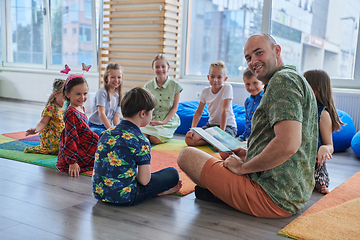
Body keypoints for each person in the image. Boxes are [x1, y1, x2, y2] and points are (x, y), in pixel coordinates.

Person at [177, 33, 318, 218]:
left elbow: (288, 143)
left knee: (187, 156)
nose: (253, 61)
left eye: (259, 53)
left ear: (277, 50)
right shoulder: (290, 78)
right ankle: (222, 191)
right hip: (291, 192)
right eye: (248, 57)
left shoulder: (283, 81)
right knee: (225, 155)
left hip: (273, 195)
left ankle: (223, 193)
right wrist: (250, 154)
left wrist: (243, 168)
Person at [92, 87, 182, 205]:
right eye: (151, 112)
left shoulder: (105, 133)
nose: (152, 115)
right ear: (143, 113)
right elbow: (144, 181)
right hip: (126, 197)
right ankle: (158, 191)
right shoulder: (141, 140)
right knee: (172, 173)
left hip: (100, 193)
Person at [303, 69, 344, 194]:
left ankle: (316, 182)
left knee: (319, 181)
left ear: (317, 88)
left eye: (305, 84)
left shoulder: (323, 114)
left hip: (313, 160)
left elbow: (330, 145)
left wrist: (325, 148)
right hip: (298, 155)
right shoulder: (300, 107)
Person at [185, 61, 237, 146]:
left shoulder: (227, 88)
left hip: (227, 127)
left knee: (220, 145)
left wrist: (222, 133)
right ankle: (213, 141)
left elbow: (225, 111)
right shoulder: (205, 91)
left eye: (219, 77)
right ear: (208, 77)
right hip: (211, 126)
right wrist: (193, 129)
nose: (215, 80)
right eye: (212, 77)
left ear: (225, 79)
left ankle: (215, 141)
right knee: (189, 139)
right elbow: (199, 112)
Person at [56, 73, 99, 177]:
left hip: (83, 144)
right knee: (106, 157)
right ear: (67, 94)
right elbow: (71, 138)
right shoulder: (71, 113)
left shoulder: (80, 108)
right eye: (78, 94)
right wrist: (72, 162)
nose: (82, 97)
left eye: (85, 93)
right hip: (77, 151)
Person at [141, 54, 183, 144]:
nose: (160, 69)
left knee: (154, 139)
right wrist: (148, 120)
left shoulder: (175, 86)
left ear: (168, 67)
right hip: (152, 120)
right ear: (153, 68)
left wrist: (163, 122)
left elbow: (175, 108)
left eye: (163, 66)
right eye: (157, 67)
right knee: (143, 138)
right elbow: (146, 107)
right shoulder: (148, 86)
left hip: (168, 121)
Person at [24, 79, 66, 155]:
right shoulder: (51, 108)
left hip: (61, 137)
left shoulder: (64, 107)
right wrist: (36, 130)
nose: (66, 100)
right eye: (64, 97)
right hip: (51, 139)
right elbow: (43, 122)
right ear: (55, 94)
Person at [89, 63, 123, 137]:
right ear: (106, 78)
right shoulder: (102, 92)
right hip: (95, 126)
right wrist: (110, 130)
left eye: (119, 77)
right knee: (104, 136)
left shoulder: (118, 96)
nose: (116, 80)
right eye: (113, 77)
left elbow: (116, 117)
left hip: (106, 126)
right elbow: (101, 113)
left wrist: (117, 131)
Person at [237, 68, 264, 142]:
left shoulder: (266, 99)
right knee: (227, 148)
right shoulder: (248, 101)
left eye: (255, 83)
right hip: (246, 137)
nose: (251, 87)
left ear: (262, 82)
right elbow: (247, 123)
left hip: (259, 140)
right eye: (247, 84)